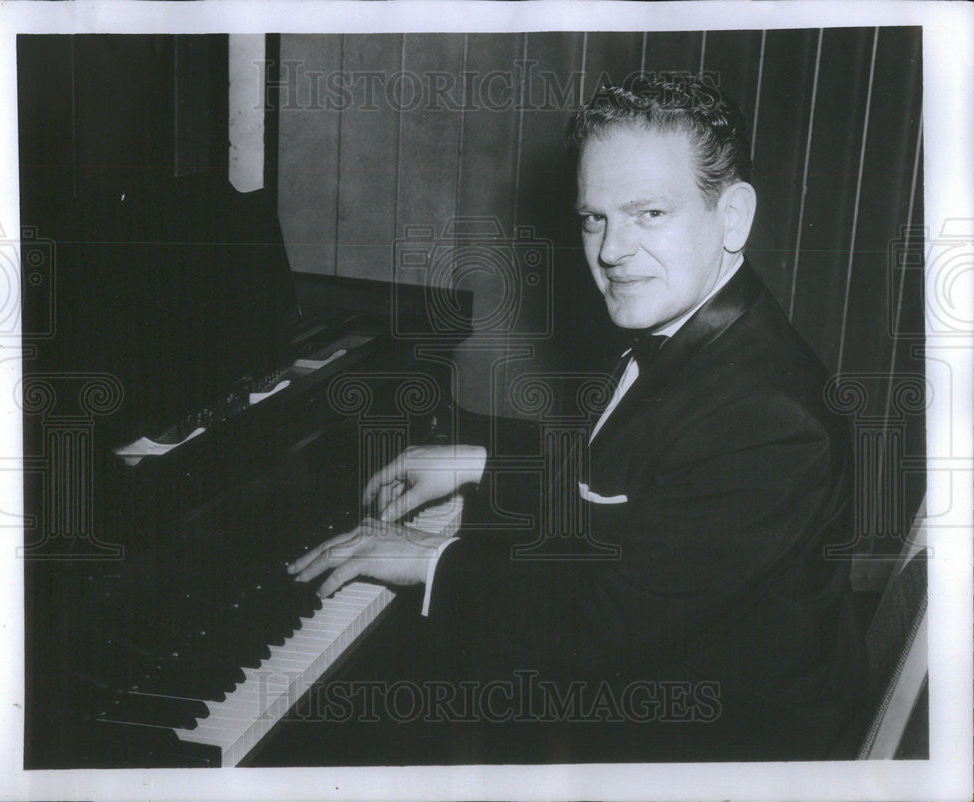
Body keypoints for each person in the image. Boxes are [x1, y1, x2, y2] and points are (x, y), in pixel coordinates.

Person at [288, 76, 868, 761]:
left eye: (648, 213)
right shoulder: (701, 334)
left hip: (721, 750)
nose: (611, 250)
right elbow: (629, 478)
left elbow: (605, 625)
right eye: (594, 217)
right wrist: (483, 463)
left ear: (733, 215)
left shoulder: (770, 417)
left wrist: (431, 559)